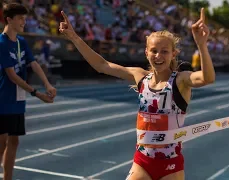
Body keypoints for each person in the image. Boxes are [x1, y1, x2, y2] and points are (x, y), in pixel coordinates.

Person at [59, 7, 215, 180]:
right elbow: (101, 65)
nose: (158, 56)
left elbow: (207, 78)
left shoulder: (181, 80)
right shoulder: (140, 77)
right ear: (146, 52)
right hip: (142, 162)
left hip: (171, 166)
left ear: (173, 54)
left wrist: (202, 45)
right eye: (154, 50)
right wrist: (74, 37)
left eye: (164, 51)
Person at [0, 3, 57, 180]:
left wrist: (47, 84)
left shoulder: (21, 42)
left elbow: (33, 63)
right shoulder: (1, 43)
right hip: (3, 99)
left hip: (17, 99)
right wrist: (37, 93)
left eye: (25, 18)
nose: (24, 22)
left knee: (14, 140)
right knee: (1, 143)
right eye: (20, 18)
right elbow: (11, 75)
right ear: (9, 19)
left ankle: (7, 177)